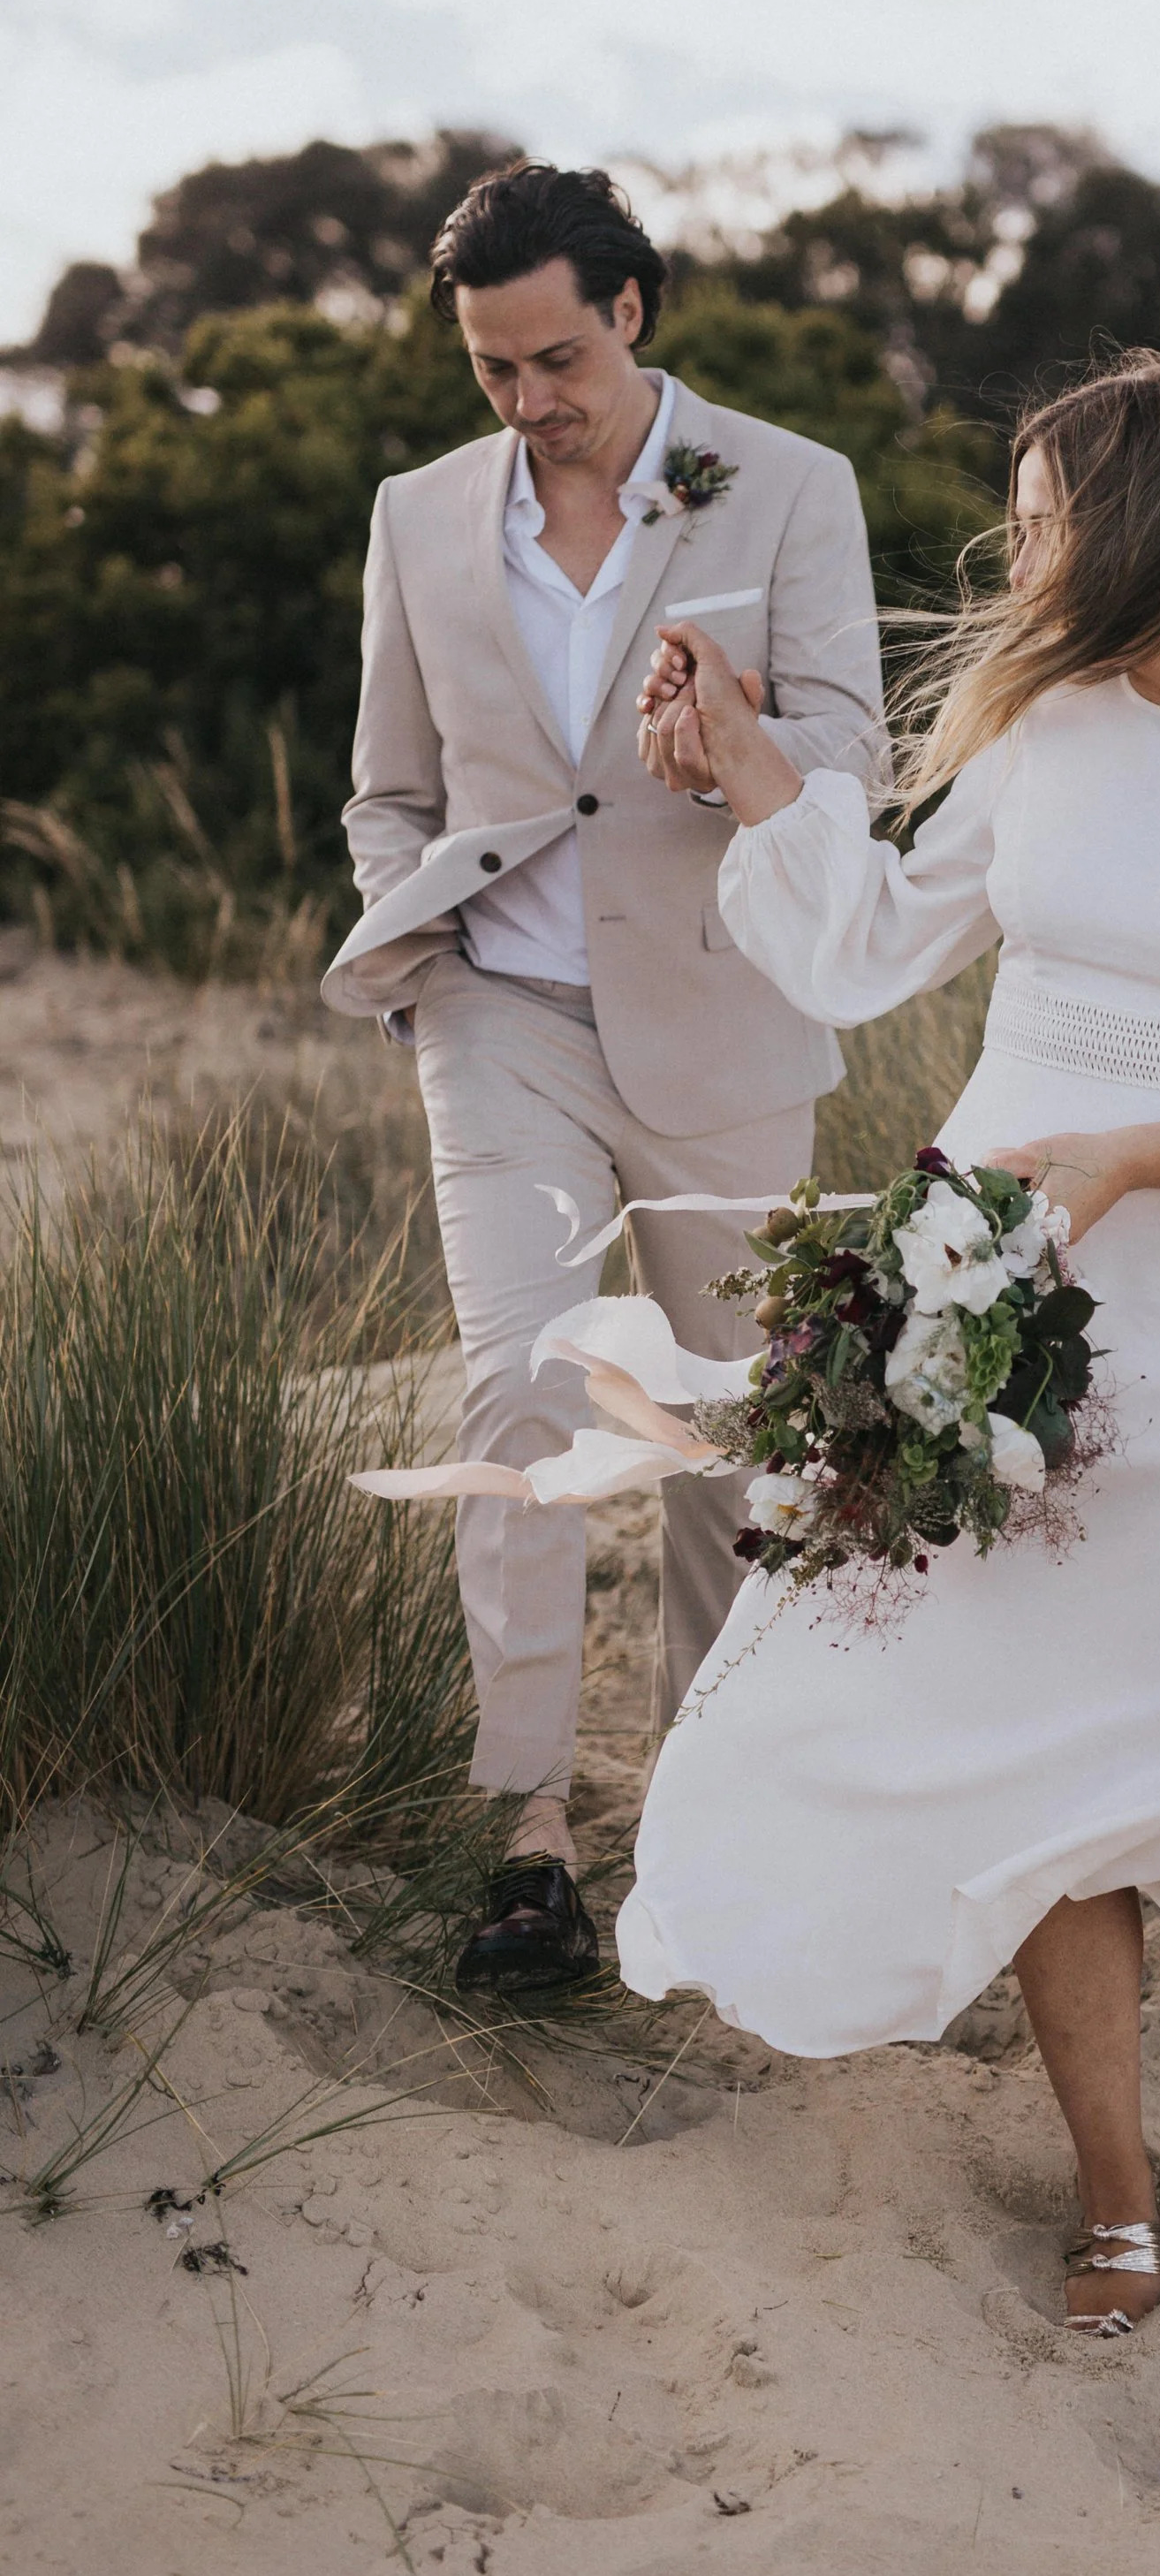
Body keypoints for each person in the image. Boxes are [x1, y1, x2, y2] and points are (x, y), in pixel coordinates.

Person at [620, 347, 1160, 2331]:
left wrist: (1148, 1153)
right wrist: (746, 762)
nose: (1016, 550)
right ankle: (1110, 2179)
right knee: (1032, 1741)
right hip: (992, 1270)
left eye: (1044, 515)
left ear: (1147, 523)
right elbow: (870, 938)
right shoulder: (1045, 724)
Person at [322, 163, 885, 1990]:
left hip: (722, 1016)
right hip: (497, 1018)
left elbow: (857, 750)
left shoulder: (790, 487)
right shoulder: (416, 517)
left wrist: (729, 740)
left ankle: (713, 1819)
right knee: (523, 1401)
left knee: (735, 1437)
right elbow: (387, 790)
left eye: (551, 356)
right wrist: (421, 987)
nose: (525, 399)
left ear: (629, 312)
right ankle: (530, 1837)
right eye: (491, 369)